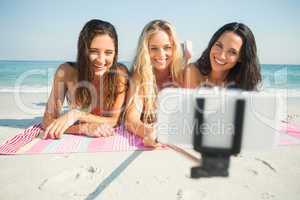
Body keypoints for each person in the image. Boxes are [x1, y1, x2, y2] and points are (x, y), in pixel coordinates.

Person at [41, 19, 129, 139]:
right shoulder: (66, 72)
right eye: (94, 51)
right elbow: (47, 121)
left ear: (115, 53)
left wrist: (76, 115)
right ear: (83, 51)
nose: (101, 60)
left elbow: (114, 121)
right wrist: (83, 129)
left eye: (108, 53)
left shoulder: (120, 74)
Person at [124, 19, 186, 147]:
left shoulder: (183, 74)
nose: (161, 54)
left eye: (167, 47)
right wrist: (148, 131)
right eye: (154, 48)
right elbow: (131, 119)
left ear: (175, 48)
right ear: (145, 50)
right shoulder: (140, 76)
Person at [184, 22, 261, 90]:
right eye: (219, 45)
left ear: (241, 58)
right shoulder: (192, 71)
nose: (221, 56)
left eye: (232, 52)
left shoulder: (243, 86)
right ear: (212, 44)